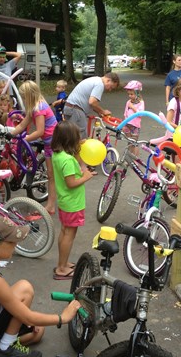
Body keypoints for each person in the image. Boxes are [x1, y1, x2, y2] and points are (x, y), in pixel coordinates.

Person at [0, 216, 81, 357]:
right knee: (24, 289)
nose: (16, 244)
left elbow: (6, 300)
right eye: (12, 241)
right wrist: (62, 317)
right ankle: (3, 348)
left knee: (37, 333)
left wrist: (27, 319)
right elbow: (28, 316)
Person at [51, 121, 93, 280]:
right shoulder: (67, 161)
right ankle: (61, 268)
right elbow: (71, 183)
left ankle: (63, 263)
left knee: (65, 231)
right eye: (77, 137)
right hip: (72, 203)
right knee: (69, 233)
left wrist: (78, 150)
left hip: (65, 201)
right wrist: (86, 177)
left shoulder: (58, 155)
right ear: (70, 140)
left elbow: (77, 163)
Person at [9, 81, 58, 215]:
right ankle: (51, 206)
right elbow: (21, 126)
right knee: (50, 175)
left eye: (24, 97)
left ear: (30, 96)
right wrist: (9, 134)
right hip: (48, 143)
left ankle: (52, 205)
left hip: (55, 142)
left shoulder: (39, 108)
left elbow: (40, 131)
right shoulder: (33, 107)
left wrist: (23, 140)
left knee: (54, 176)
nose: (23, 99)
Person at [64, 72, 120, 139]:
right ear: (108, 80)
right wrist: (103, 111)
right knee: (80, 138)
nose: (109, 90)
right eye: (111, 87)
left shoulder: (95, 80)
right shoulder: (100, 84)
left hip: (70, 108)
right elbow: (92, 102)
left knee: (70, 135)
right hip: (76, 110)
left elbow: (90, 101)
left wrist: (98, 112)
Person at [122, 80, 145, 155]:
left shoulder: (141, 102)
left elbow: (141, 114)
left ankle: (135, 160)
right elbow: (125, 113)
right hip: (127, 125)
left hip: (135, 126)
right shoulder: (128, 102)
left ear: (137, 93)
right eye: (128, 94)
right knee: (129, 142)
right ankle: (129, 159)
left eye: (132, 94)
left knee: (134, 143)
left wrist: (132, 107)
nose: (130, 96)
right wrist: (123, 124)